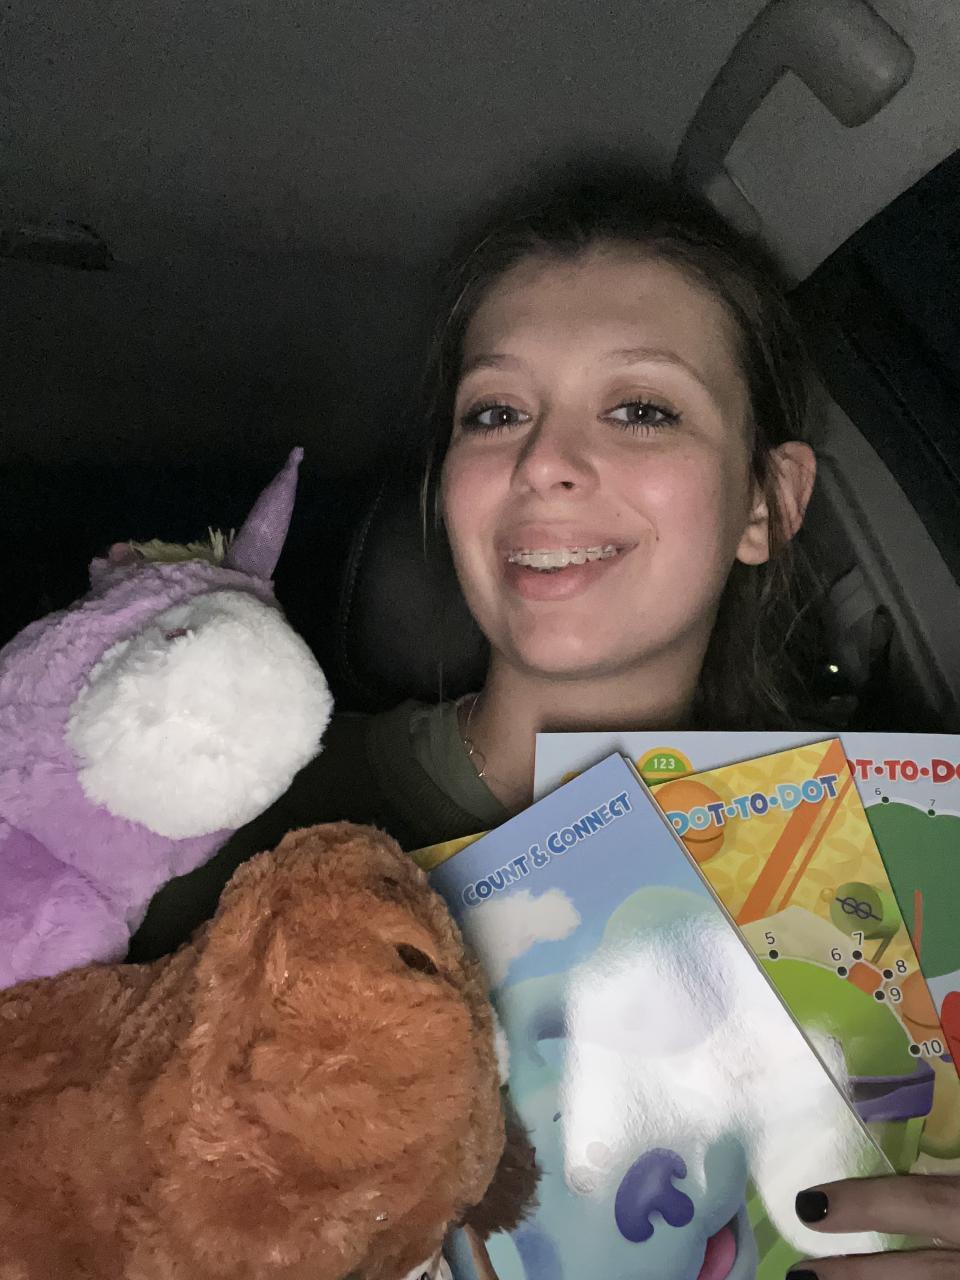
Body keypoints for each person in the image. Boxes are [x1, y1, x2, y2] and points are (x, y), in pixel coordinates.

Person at [129, 162, 960, 1273]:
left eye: (641, 409)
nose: (546, 462)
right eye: (497, 412)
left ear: (769, 502)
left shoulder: (890, 866)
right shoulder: (243, 816)